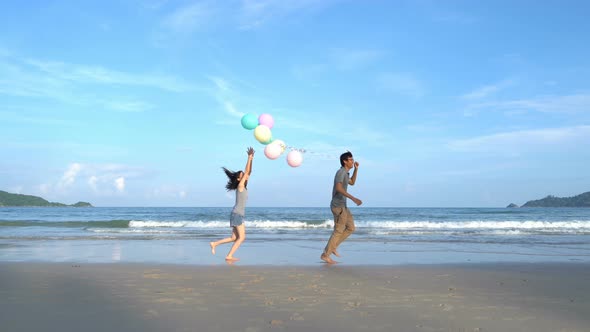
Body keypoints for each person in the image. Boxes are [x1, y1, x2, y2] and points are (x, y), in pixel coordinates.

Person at [210, 147, 255, 261]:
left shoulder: (242, 186)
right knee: (241, 237)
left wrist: (252, 159)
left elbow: (249, 172)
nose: (245, 175)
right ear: (239, 179)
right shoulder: (240, 186)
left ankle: (214, 243)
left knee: (234, 237)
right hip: (237, 214)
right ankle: (229, 256)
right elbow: (247, 171)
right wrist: (249, 158)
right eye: (242, 175)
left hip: (236, 214)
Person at [321, 151, 362, 264]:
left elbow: (352, 182)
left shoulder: (346, 173)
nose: (352, 161)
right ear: (345, 161)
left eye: (353, 159)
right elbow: (338, 188)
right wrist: (353, 198)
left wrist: (356, 169)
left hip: (343, 206)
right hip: (338, 206)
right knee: (338, 230)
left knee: (351, 227)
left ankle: (333, 246)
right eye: (350, 160)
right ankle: (325, 255)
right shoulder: (340, 172)